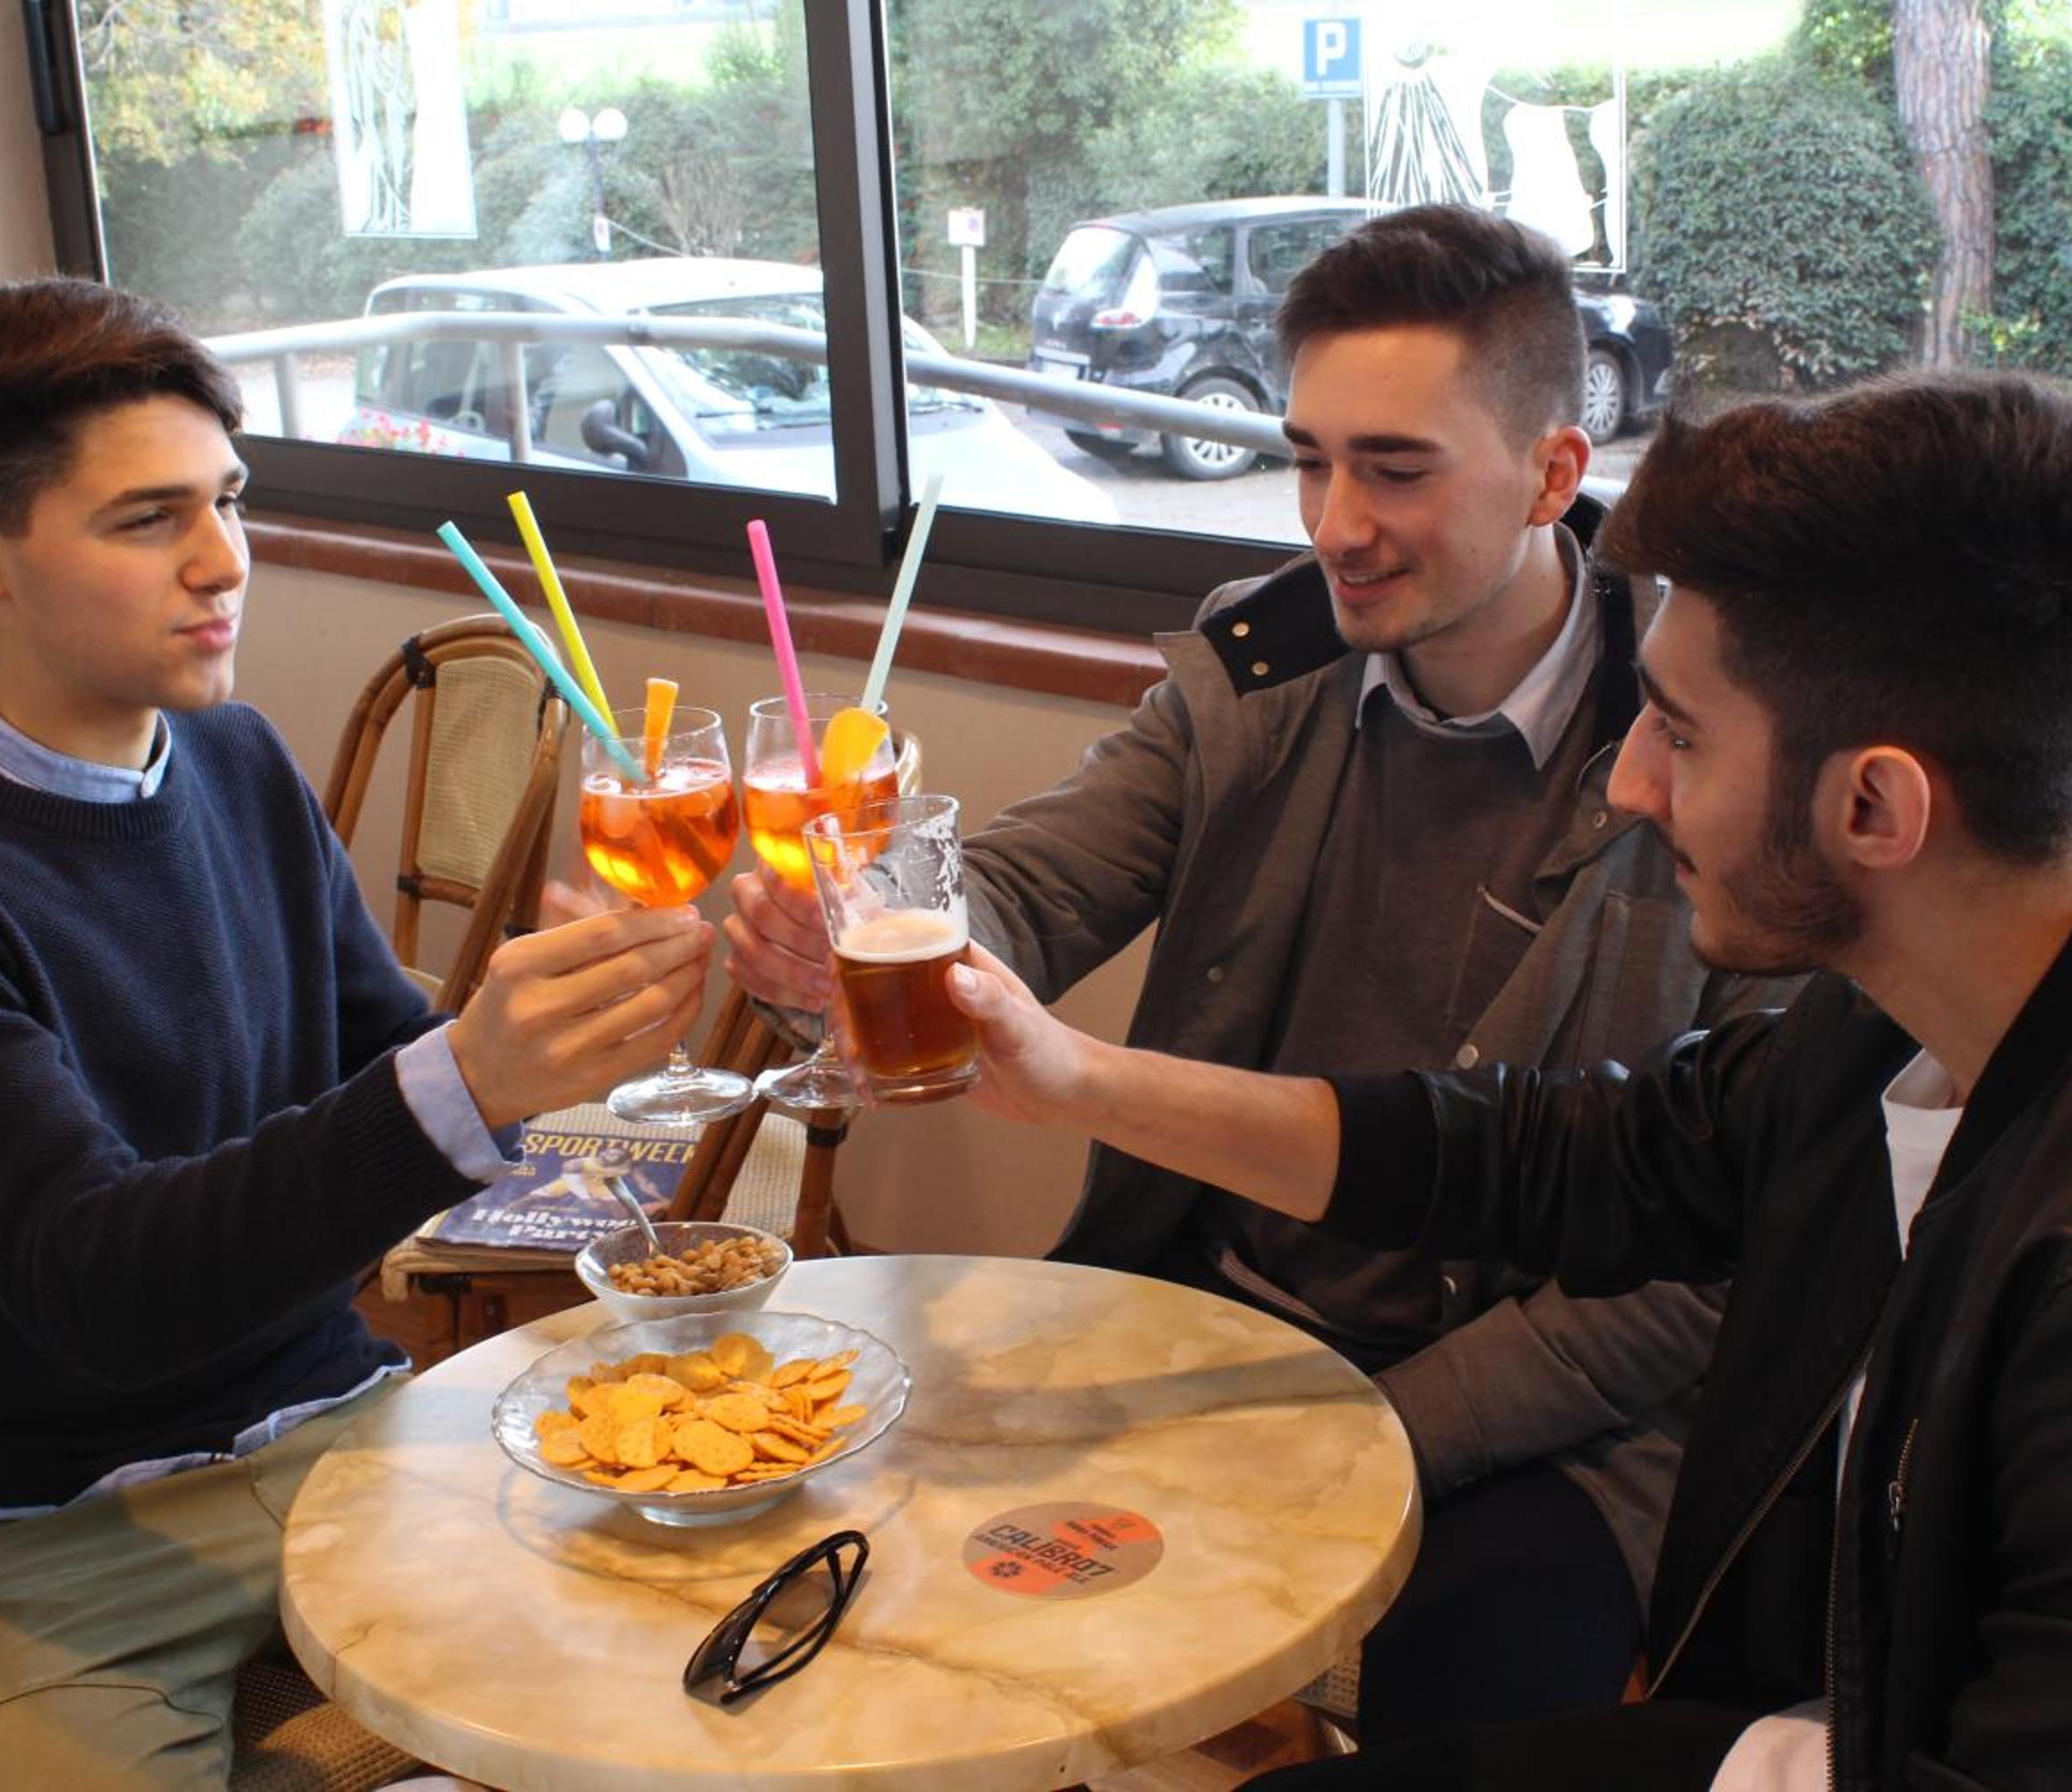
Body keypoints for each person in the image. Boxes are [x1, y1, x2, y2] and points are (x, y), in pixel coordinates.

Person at [942, 370, 2072, 1787]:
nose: (1634, 781)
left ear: (1875, 805)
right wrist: (1074, 1080)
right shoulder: (1934, 1012)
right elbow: (1554, 1155)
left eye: (1681, 733)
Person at [729, 203, 1789, 1735]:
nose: (1335, 525)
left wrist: (1371, 1428)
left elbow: (1700, 1271)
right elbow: (1032, 887)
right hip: (1202, 1318)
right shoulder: (1266, 656)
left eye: (1396, 470)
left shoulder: (1690, 737)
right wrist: (871, 937)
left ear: (1556, 472)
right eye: (1309, 460)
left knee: (1465, 1691)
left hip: (1536, 1406)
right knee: (876, 1579)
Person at [0, 278, 715, 1787]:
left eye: (230, 500)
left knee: (712, 1688)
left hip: (338, 1433)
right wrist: (469, 1074)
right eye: (149, 520)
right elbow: (98, 1287)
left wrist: (562, 1049)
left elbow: (379, 1076)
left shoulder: (234, 756)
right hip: (32, 1531)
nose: (224, 560)